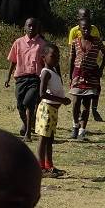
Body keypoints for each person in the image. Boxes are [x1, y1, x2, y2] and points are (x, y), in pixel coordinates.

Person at [5, 18, 47, 142]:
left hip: (35, 78)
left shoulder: (42, 44)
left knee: (28, 103)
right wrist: (7, 77)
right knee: (20, 105)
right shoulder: (18, 42)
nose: (31, 28)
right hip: (20, 78)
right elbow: (13, 61)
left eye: (34, 26)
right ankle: (28, 123)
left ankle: (28, 133)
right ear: (24, 27)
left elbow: (46, 63)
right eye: (29, 26)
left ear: (37, 28)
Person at [67, 18, 105, 140]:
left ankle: (82, 131)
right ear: (79, 29)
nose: (86, 30)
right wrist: (70, 76)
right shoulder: (75, 41)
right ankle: (75, 126)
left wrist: (101, 69)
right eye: (83, 28)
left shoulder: (96, 41)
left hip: (91, 76)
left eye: (88, 28)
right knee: (75, 103)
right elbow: (72, 58)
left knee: (86, 105)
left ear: (91, 29)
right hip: (77, 75)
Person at [35, 44, 71, 177]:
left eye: (58, 56)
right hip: (47, 109)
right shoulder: (45, 72)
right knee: (43, 138)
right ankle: (40, 167)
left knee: (50, 138)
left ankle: (49, 166)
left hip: (53, 111)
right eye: (53, 56)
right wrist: (62, 100)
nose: (56, 58)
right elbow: (42, 94)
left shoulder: (54, 70)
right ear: (44, 58)